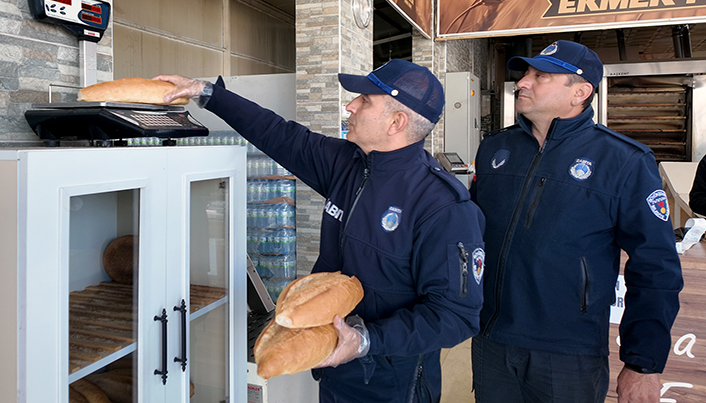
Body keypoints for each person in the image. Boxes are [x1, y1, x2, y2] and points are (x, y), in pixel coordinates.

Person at [156, 59, 486, 403]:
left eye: (365, 100)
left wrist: (364, 339)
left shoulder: (442, 206)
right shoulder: (349, 163)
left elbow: (455, 317)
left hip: (390, 382)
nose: (350, 106)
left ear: (396, 122)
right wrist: (206, 93)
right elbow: (279, 133)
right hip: (332, 366)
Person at [470, 40, 683, 403]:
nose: (523, 83)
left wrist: (643, 363)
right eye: (526, 74)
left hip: (568, 351)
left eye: (541, 76)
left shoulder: (624, 161)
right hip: (491, 338)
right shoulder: (495, 149)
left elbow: (656, 267)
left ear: (580, 92)